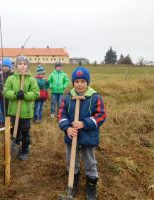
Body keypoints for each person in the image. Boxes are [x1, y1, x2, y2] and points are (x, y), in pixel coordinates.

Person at [58, 67, 106, 199]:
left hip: (88, 137)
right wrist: (67, 127)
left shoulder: (95, 97)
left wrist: (84, 123)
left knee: (90, 162)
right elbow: (61, 115)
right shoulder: (67, 98)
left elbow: (101, 116)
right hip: (71, 136)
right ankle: (72, 185)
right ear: (73, 82)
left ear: (87, 83)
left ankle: (91, 187)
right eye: (77, 81)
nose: (79, 84)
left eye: (83, 81)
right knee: (71, 161)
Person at [4, 56, 39, 160]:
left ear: (28, 66)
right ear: (16, 66)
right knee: (13, 130)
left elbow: (36, 93)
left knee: (25, 131)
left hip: (26, 113)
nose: (22, 66)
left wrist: (25, 95)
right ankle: (16, 146)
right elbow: (5, 91)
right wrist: (15, 94)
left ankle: (25, 150)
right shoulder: (11, 78)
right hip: (13, 112)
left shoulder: (32, 80)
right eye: (20, 64)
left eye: (24, 64)